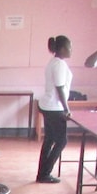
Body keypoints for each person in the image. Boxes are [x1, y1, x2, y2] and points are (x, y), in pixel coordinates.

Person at [36, 35, 72, 184]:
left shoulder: (54, 62)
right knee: (61, 141)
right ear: (62, 49)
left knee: (49, 140)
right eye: (69, 47)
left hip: (49, 105)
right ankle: (45, 173)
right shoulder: (59, 64)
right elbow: (60, 87)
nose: (71, 50)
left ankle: (42, 173)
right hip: (54, 107)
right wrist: (66, 108)